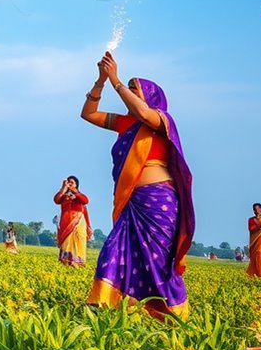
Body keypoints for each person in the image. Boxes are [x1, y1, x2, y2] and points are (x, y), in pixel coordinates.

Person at [80, 51, 193, 320]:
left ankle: (170, 313)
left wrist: (117, 81)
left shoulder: (160, 120)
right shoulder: (125, 123)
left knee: (156, 262)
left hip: (158, 203)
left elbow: (143, 111)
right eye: (128, 90)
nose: (128, 95)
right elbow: (88, 113)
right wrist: (101, 81)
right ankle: (104, 305)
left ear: (151, 97)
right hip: (132, 203)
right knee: (113, 250)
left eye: (134, 90)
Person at [54, 176, 92, 266]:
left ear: (76, 185)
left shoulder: (79, 197)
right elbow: (56, 200)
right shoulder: (63, 197)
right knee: (66, 242)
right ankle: (65, 261)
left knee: (78, 241)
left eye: (72, 182)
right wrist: (64, 188)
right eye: (68, 182)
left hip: (78, 223)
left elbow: (85, 201)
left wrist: (74, 191)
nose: (70, 184)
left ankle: (78, 262)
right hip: (66, 222)